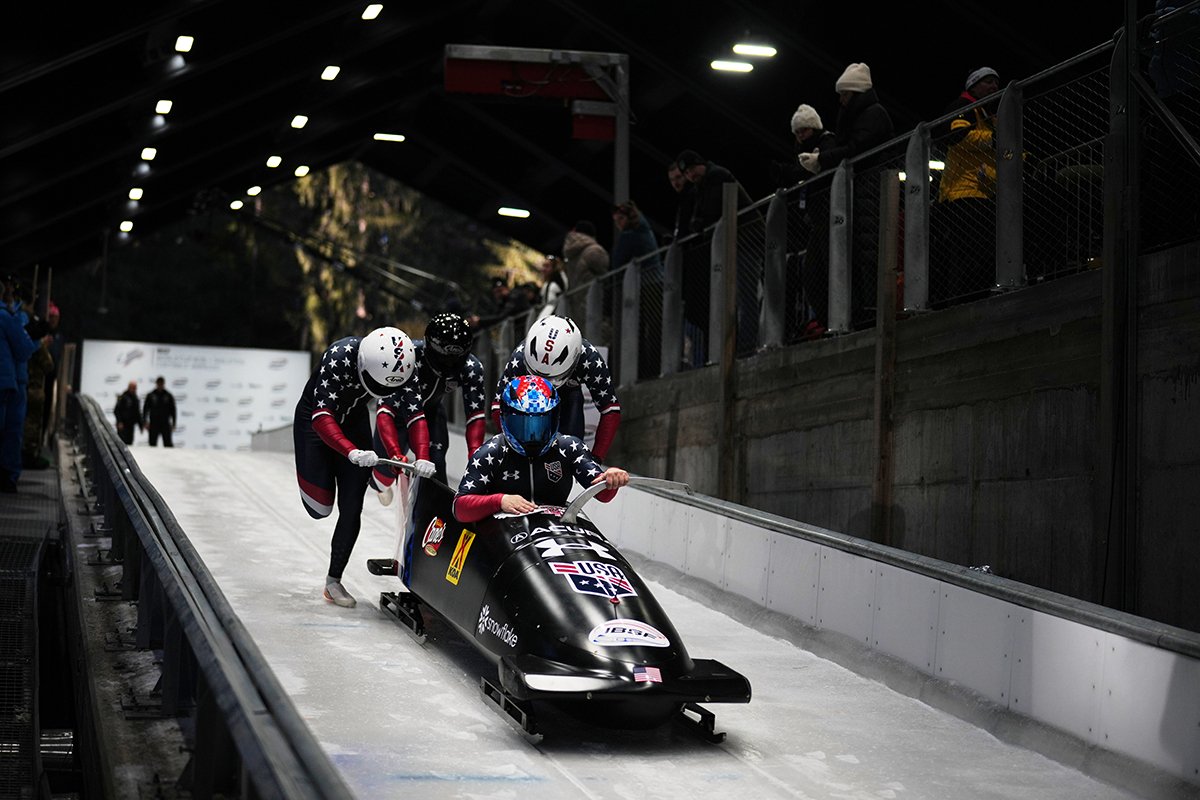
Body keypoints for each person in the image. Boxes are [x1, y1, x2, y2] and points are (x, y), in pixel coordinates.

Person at [293, 326, 417, 608]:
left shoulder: (404, 365)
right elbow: (322, 416)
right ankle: (364, 475)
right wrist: (350, 452)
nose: (384, 391)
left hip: (354, 420)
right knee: (319, 509)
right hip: (316, 421)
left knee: (352, 505)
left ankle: (333, 581)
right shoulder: (339, 356)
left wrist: (404, 453)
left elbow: (402, 414)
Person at [453, 375, 629, 523]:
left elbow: (603, 495)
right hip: (503, 534)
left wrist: (612, 480)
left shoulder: (568, 447)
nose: (532, 435)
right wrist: (499, 501)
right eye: (524, 425)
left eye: (540, 424)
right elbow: (460, 507)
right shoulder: (492, 451)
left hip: (554, 531)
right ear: (506, 418)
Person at [798, 63, 895, 330]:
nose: (840, 100)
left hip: (870, 191)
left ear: (854, 92)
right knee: (856, 253)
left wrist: (821, 161)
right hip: (861, 192)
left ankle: (868, 312)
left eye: (844, 94)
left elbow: (856, 148)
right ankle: (856, 314)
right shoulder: (859, 116)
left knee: (867, 252)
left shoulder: (872, 115)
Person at [371, 312, 485, 498]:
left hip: (431, 415)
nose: (449, 365)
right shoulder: (407, 357)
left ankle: (436, 512)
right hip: (397, 418)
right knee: (383, 477)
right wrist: (394, 452)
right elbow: (384, 410)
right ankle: (382, 486)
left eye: (456, 359)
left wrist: (475, 457)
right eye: (444, 359)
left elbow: (476, 416)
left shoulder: (472, 368)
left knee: (436, 466)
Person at [489, 315, 620, 462]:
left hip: (569, 397)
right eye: (538, 374)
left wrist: (596, 458)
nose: (547, 384)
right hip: (530, 399)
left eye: (552, 378)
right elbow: (497, 406)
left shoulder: (589, 359)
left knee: (570, 451)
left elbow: (610, 409)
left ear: (575, 358)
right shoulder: (519, 358)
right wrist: (512, 445)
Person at [932, 67, 1002, 306]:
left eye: (996, 82)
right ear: (973, 86)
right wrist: (993, 141)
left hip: (983, 190)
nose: (994, 86)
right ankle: (964, 300)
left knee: (979, 250)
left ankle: (972, 297)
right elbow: (957, 136)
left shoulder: (988, 115)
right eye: (988, 82)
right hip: (963, 192)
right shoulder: (964, 108)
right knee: (972, 251)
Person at [612, 200, 663, 379]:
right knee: (654, 328)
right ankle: (652, 368)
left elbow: (617, 261)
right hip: (654, 282)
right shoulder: (644, 229)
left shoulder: (630, 236)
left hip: (645, 285)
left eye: (619, 220)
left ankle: (644, 370)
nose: (618, 225)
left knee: (641, 329)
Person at [0, 291, 37, 492]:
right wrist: (34, 337)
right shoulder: (7, 316)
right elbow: (24, 349)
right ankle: (8, 477)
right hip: (7, 382)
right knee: (10, 431)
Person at [771, 103, 836, 188]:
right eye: (797, 132)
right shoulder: (800, 148)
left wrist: (786, 171)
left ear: (814, 128)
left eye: (804, 130)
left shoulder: (827, 140)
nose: (801, 135)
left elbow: (812, 171)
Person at [142, 376, 177, 447]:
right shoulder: (151, 395)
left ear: (164, 384)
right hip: (154, 423)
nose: (160, 385)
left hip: (165, 423)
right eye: (159, 383)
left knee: (168, 444)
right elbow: (145, 409)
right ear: (156, 384)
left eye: (161, 384)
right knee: (152, 444)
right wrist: (145, 422)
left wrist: (174, 423)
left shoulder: (168, 395)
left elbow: (173, 411)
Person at [667, 160, 696, 243]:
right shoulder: (683, 198)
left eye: (678, 177)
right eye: (672, 180)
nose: (675, 183)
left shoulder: (692, 194)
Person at [533, 255, 568, 322]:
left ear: (554, 268)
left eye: (547, 266)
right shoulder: (546, 284)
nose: (544, 269)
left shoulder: (558, 281)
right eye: (543, 266)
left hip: (555, 316)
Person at [113, 381, 141, 446]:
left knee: (130, 443)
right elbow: (116, 410)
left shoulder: (135, 398)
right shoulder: (123, 397)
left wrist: (140, 425)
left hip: (131, 425)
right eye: (133, 388)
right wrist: (119, 422)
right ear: (129, 387)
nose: (134, 389)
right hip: (123, 425)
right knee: (122, 443)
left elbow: (137, 412)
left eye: (135, 388)